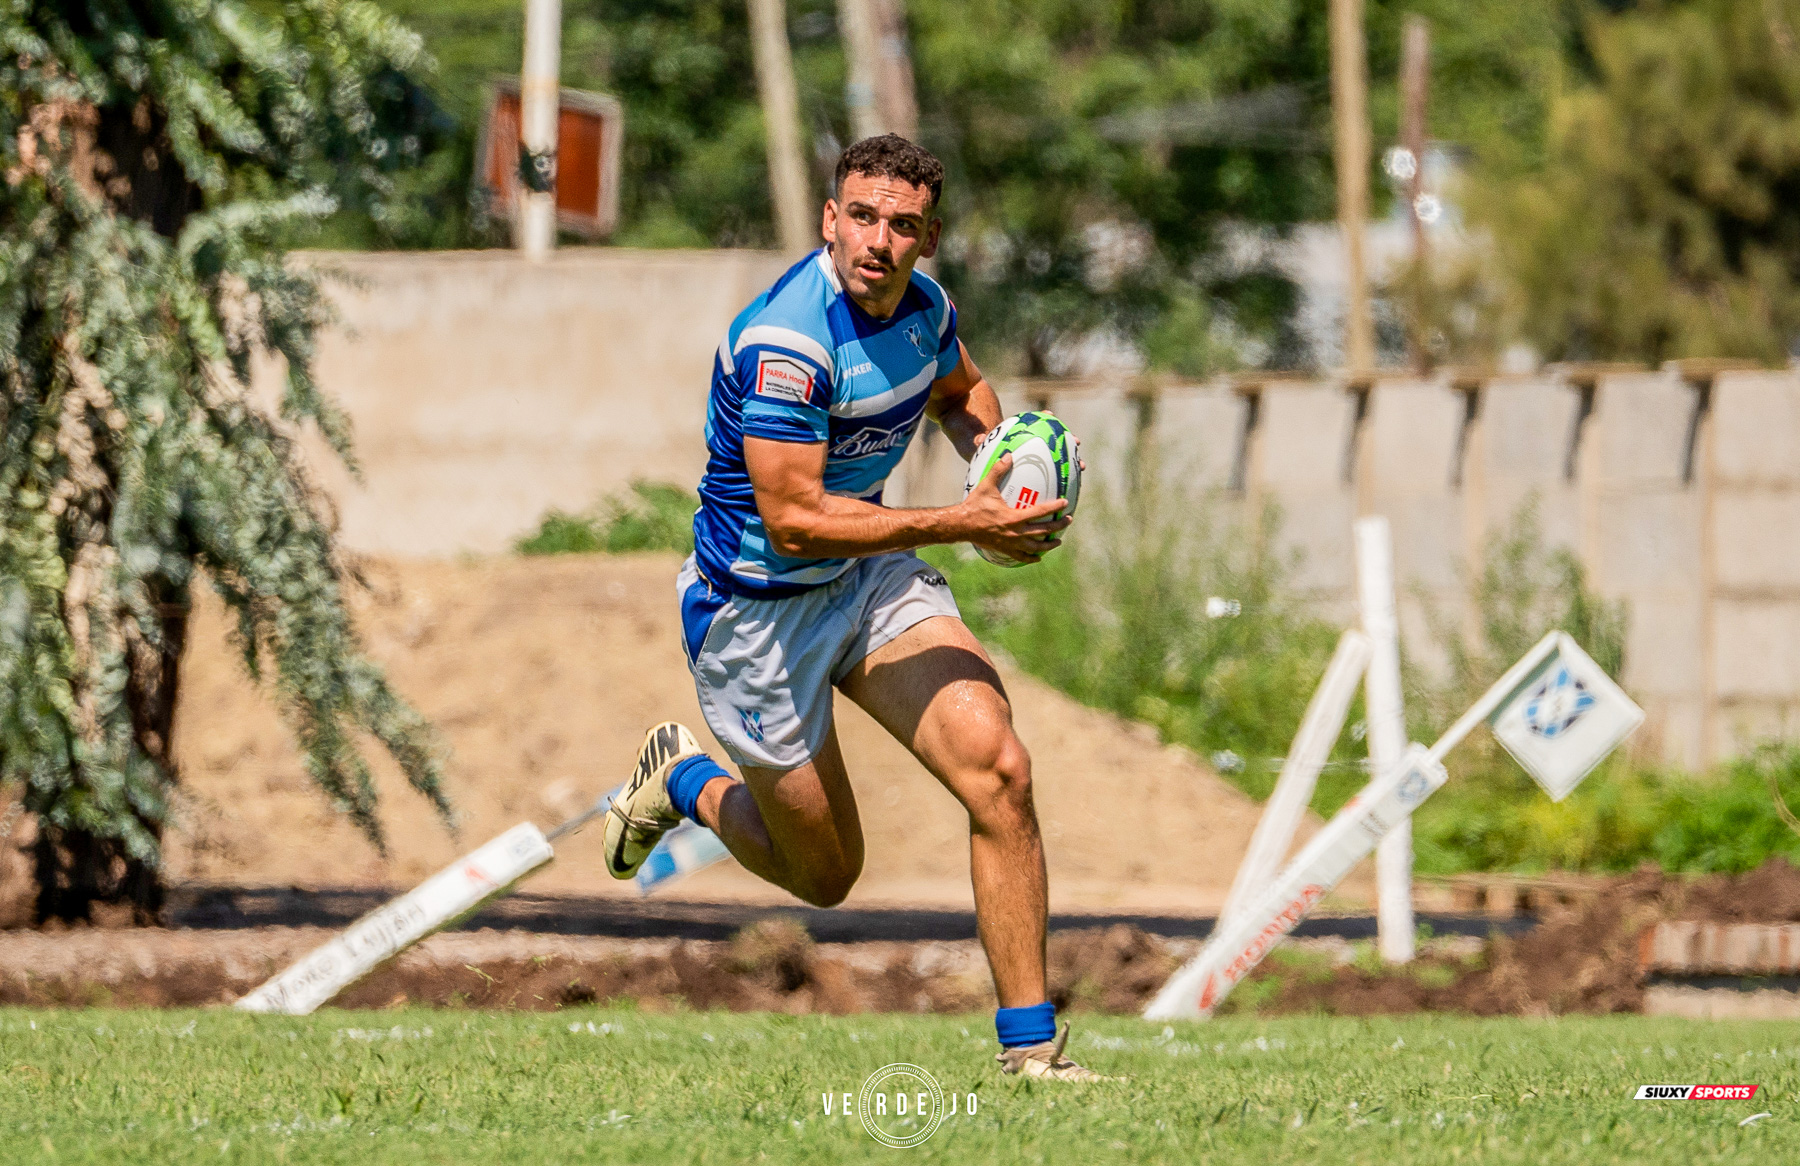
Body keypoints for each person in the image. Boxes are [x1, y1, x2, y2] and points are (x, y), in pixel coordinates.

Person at [604, 134, 1110, 1081]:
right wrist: (965, 519)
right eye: (863, 217)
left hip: (866, 577)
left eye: (903, 224)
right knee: (825, 877)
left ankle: (1032, 1050)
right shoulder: (788, 345)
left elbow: (962, 391)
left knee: (999, 769)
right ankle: (682, 784)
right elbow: (794, 521)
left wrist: (1003, 459)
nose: (879, 240)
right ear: (831, 219)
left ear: (928, 237)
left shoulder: (924, 310)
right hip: (754, 615)